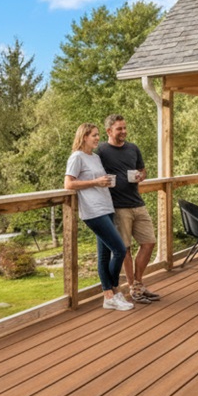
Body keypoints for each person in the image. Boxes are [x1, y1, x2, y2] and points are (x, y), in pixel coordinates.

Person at [65, 123, 132, 311]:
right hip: (93, 211)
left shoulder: (94, 157)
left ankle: (108, 297)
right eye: (94, 135)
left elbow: (97, 180)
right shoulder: (76, 157)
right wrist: (96, 181)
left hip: (106, 206)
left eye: (97, 135)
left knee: (104, 256)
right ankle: (114, 290)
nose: (97, 138)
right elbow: (68, 184)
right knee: (120, 249)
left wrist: (105, 182)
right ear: (84, 136)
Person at [96, 114, 159, 304]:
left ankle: (138, 283)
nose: (123, 132)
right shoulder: (101, 151)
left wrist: (141, 176)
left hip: (137, 203)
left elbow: (143, 169)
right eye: (119, 129)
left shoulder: (133, 148)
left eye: (124, 128)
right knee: (124, 249)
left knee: (148, 242)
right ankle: (133, 287)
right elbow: (91, 173)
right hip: (118, 207)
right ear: (109, 131)